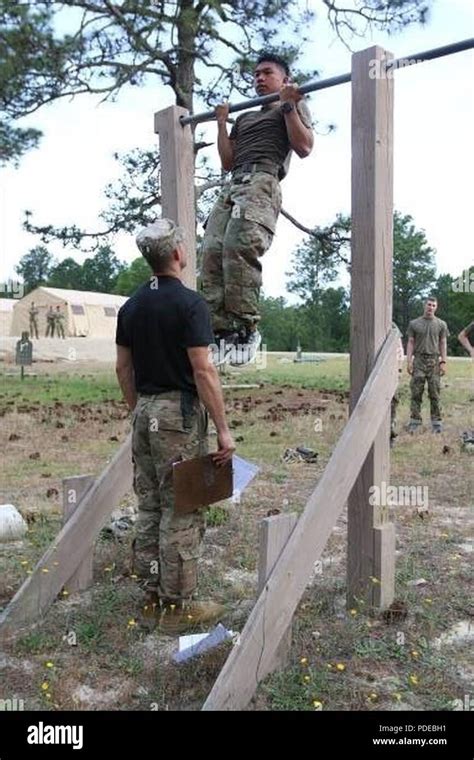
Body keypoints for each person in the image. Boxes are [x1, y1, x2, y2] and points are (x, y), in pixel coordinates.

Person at [115, 219, 235, 634]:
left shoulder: (131, 306)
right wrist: (222, 428)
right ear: (180, 255)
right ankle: (178, 605)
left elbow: (123, 367)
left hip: (144, 412)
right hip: (178, 417)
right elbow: (203, 370)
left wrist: (138, 409)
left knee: (149, 505)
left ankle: (150, 596)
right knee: (182, 508)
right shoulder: (190, 304)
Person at [201, 52, 314, 366]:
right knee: (211, 252)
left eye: (267, 73)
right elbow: (226, 161)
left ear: (284, 79)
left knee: (239, 247)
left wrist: (289, 104)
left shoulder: (292, 103)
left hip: (262, 180)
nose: (259, 79)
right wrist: (222, 124)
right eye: (256, 75)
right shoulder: (246, 116)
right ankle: (222, 331)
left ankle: (245, 328)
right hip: (234, 182)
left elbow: (304, 147)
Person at [406, 296, 449, 433]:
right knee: (416, 392)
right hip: (418, 360)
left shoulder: (441, 324)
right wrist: (409, 361)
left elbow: (443, 343)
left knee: (434, 392)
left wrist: (443, 361)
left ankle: (436, 423)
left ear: (436, 308)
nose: (430, 307)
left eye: (433, 305)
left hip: (434, 361)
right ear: (424, 306)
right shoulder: (414, 324)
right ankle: (415, 421)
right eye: (429, 304)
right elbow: (411, 342)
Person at [390, 323, 405, 446]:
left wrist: (398, 370)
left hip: (391, 371)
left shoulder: (392, 326)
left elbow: (399, 350)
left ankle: (390, 433)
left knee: (393, 402)